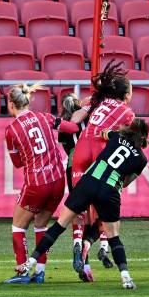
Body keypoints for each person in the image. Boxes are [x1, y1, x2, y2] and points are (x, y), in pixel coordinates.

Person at [15, 118, 149, 290]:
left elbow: (102, 133)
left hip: (89, 181)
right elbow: (126, 182)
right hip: (109, 190)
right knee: (114, 237)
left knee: (59, 225)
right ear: (145, 137)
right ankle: (126, 277)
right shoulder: (142, 160)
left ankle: (29, 263)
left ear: (130, 129)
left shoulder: (116, 136)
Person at [3, 83, 80, 284]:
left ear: (11, 104)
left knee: (18, 227)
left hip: (36, 183)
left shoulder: (11, 130)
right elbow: (72, 127)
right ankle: (40, 271)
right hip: (57, 180)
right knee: (40, 226)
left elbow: (18, 163)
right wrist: (84, 111)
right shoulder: (45, 117)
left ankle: (22, 273)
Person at [69, 61, 135, 280]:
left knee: (78, 206)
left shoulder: (96, 101)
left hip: (78, 152)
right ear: (126, 94)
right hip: (100, 156)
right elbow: (126, 146)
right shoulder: (128, 114)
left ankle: (78, 246)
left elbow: (74, 120)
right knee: (104, 210)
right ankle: (97, 248)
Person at [58, 94, 114, 281]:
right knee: (101, 210)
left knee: (78, 210)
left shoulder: (65, 125)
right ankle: (103, 247)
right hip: (92, 162)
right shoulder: (91, 118)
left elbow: (66, 149)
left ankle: (80, 251)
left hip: (72, 165)